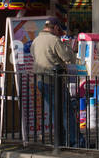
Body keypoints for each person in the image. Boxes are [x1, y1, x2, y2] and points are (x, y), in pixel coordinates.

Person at [31, 18, 81, 147]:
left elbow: (34, 56)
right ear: (56, 28)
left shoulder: (36, 40)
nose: (61, 33)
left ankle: (61, 141)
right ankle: (75, 142)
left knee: (56, 111)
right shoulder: (54, 40)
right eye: (61, 30)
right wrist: (68, 44)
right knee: (66, 112)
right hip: (55, 81)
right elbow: (69, 57)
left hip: (41, 80)